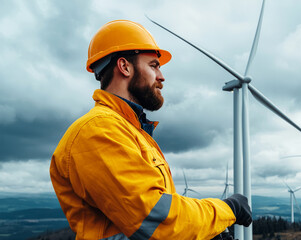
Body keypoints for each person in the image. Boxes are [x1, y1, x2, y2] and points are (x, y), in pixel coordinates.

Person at [50, 19, 252, 240]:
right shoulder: (98, 131)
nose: (162, 77)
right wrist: (227, 209)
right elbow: (159, 221)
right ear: (124, 66)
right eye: (154, 65)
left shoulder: (131, 131)